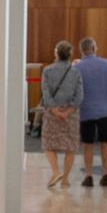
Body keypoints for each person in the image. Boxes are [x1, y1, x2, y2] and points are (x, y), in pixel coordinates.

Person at [74, 37, 107, 187]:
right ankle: (105, 174)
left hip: (85, 111)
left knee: (87, 144)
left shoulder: (77, 68)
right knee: (105, 143)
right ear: (94, 48)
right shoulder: (105, 65)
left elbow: (75, 91)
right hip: (104, 111)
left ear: (81, 50)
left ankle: (88, 176)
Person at [40, 41, 83, 188]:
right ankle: (65, 179)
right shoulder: (76, 72)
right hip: (71, 115)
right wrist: (68, 112)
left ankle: (55, 171)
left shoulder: (47, 71)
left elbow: (45, 92)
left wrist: (54, 110)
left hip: (53, 113)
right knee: (70, 146)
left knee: (48, 144)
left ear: (57, 53)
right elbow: (79, 96)